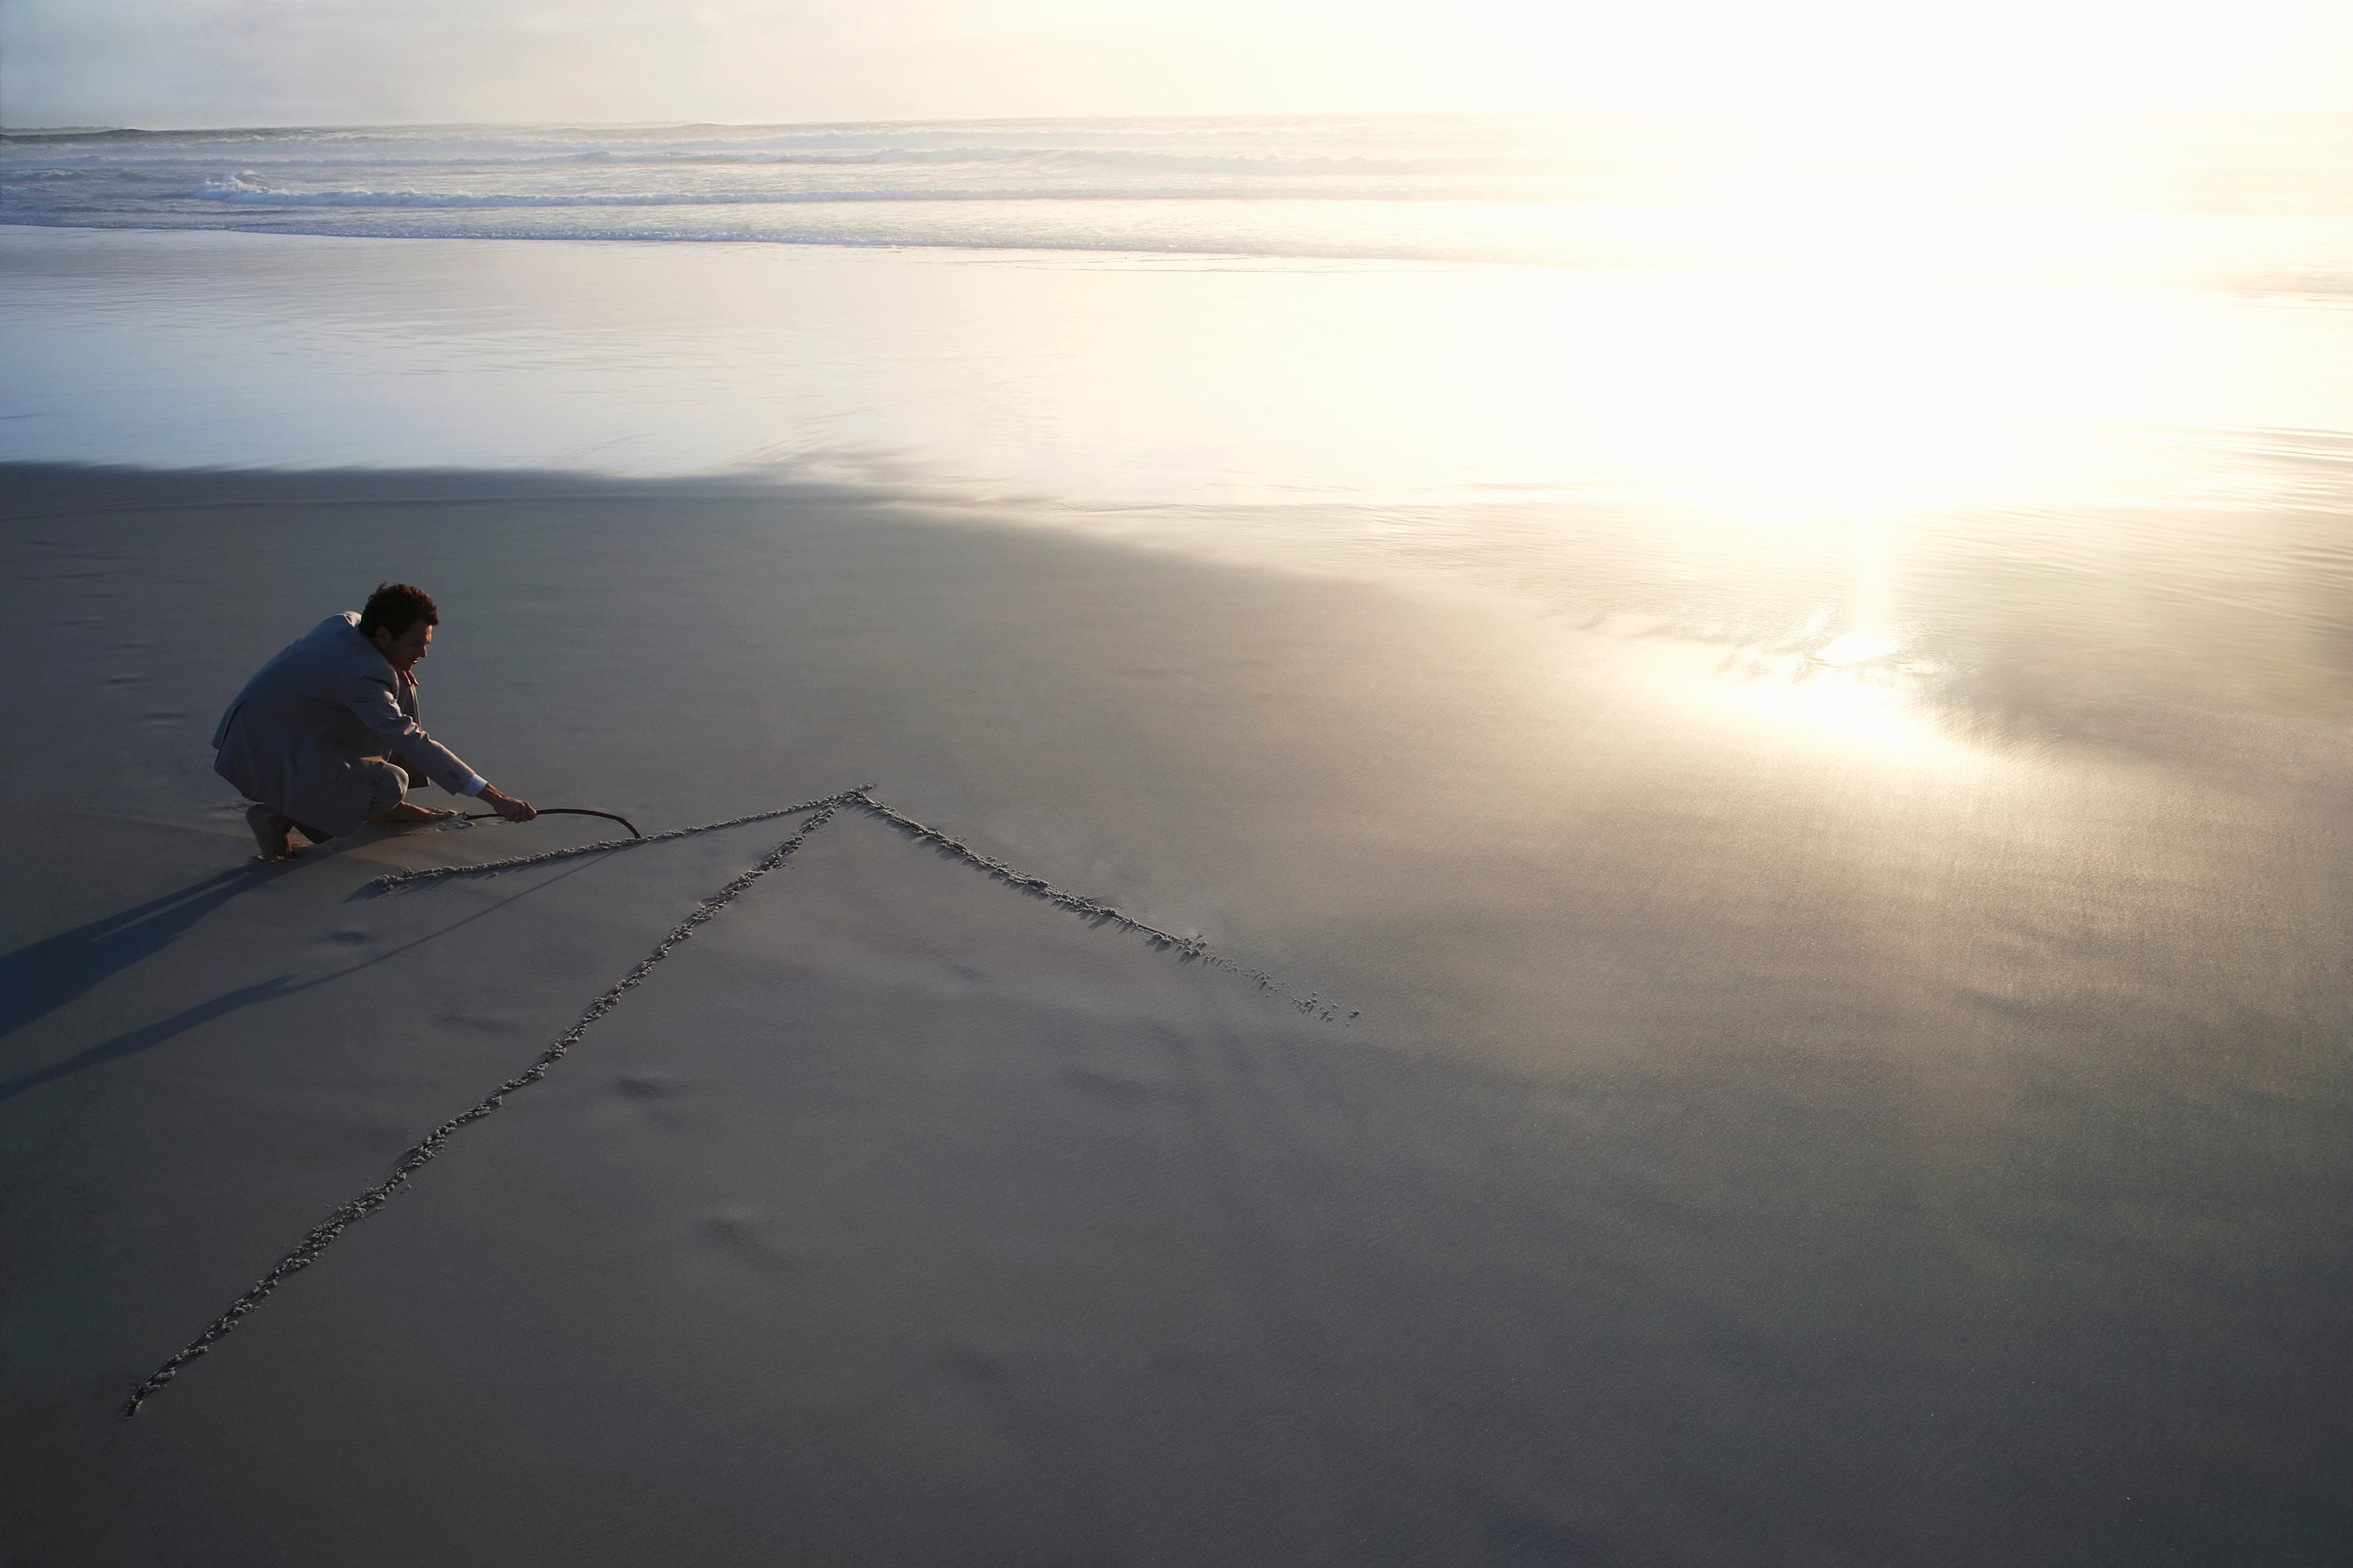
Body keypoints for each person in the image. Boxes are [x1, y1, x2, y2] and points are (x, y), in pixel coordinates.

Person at [213, 582, 535, 860]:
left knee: (403, 683)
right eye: (416, 644)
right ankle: (277, 817)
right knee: (389, 783)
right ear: (382, 634)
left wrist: (391, 664)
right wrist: (496, 798)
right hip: (264, 754)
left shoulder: (350, 624)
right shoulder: (361, 674)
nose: (423, 654)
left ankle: (374, 805)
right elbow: (411, 739)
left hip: (266, 729)